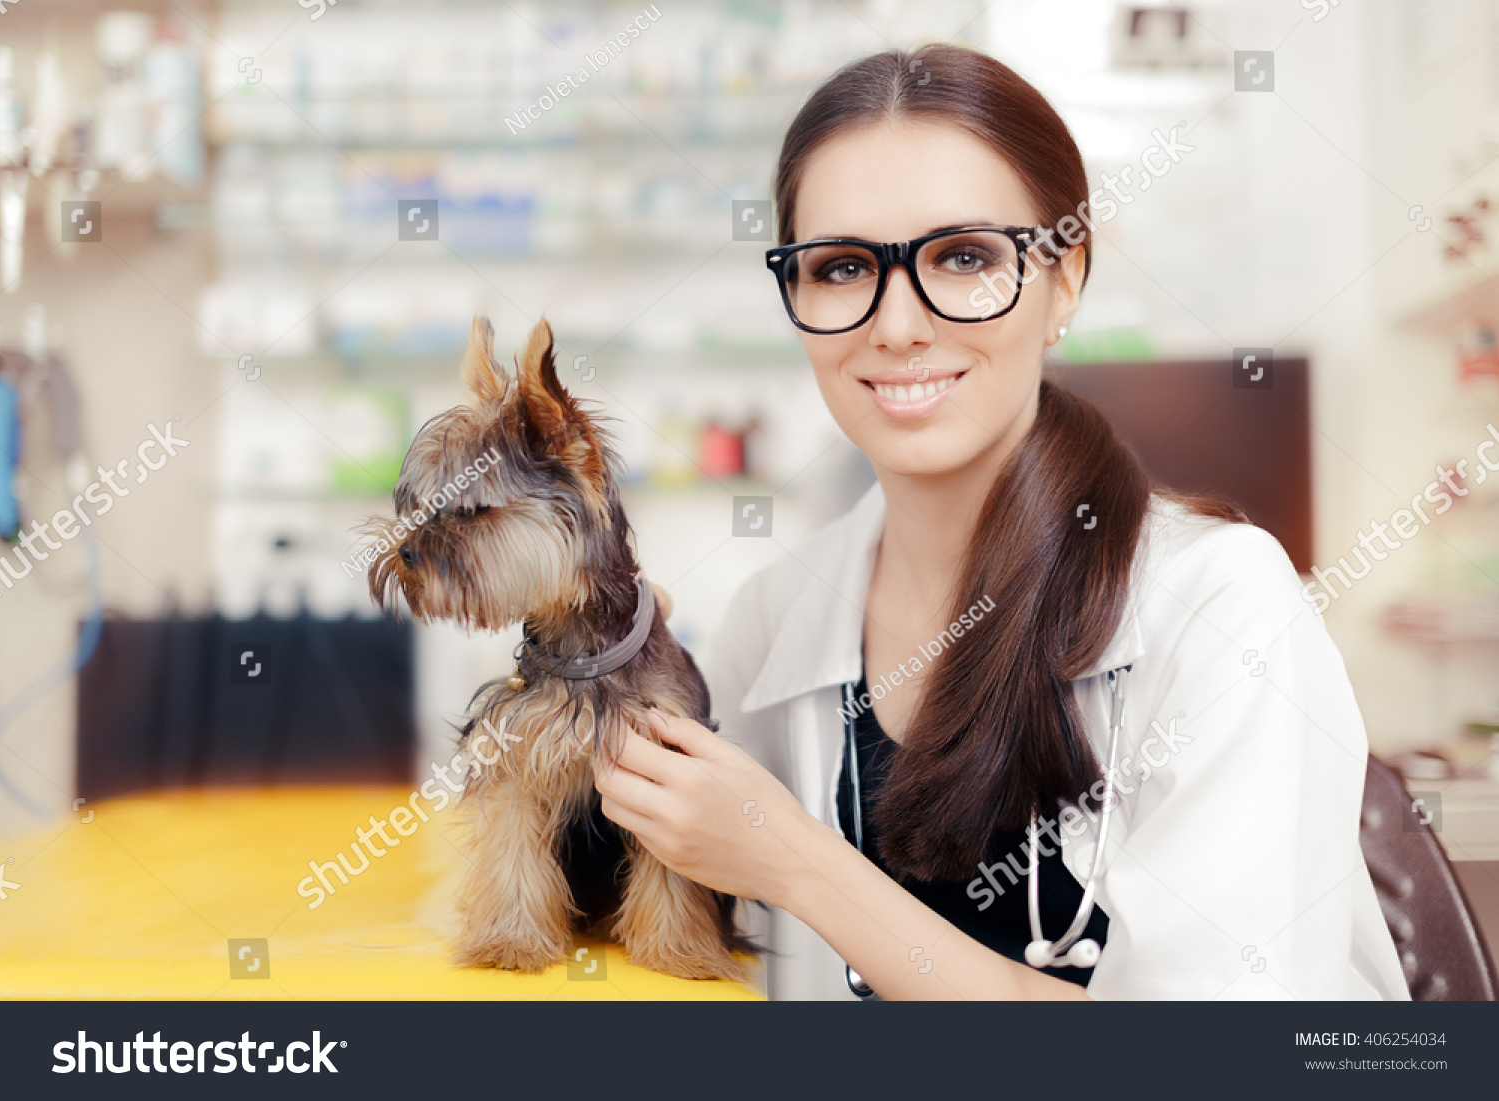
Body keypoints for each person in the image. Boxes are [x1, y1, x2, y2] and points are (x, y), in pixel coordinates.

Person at [593, 43, 1408, 1001]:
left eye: (965, 256)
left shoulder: (1222, 604)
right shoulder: (777, 617)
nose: (897, 325)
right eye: (843, 267)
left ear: (1064, 279)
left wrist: (794, 858)